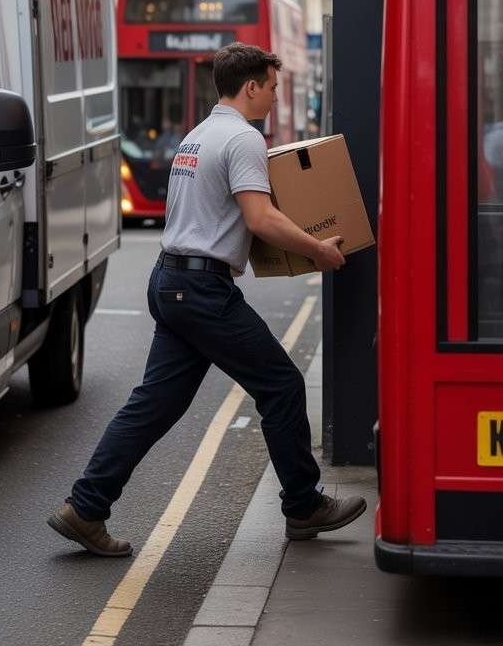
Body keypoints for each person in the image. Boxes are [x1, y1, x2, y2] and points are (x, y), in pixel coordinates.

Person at [48, 42, 366, 557]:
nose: (275, 97)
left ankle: (85, 508)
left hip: (171, 279)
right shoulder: (243, 138)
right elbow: (259, 217)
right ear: (251, 87)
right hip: (201, 290)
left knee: (156, 405)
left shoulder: (197, 136)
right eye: (272, 87)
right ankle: (304, 505)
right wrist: (317, 251)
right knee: (281, 384)